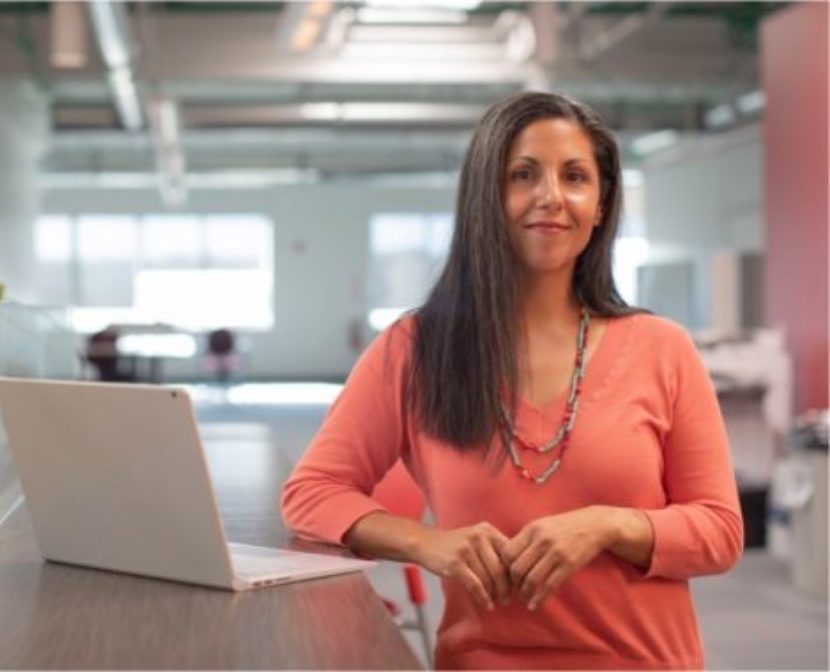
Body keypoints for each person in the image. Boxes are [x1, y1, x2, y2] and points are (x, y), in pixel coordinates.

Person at [281, 92, 743, 670]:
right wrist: (425, 543)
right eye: (523, 175)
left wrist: (609, 525)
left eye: (575, 177)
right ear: (488, 198)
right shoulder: (416, 349)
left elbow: (720, 530)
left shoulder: (662, 348)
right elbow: (312, 492)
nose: (551, 196)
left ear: (600, 205)